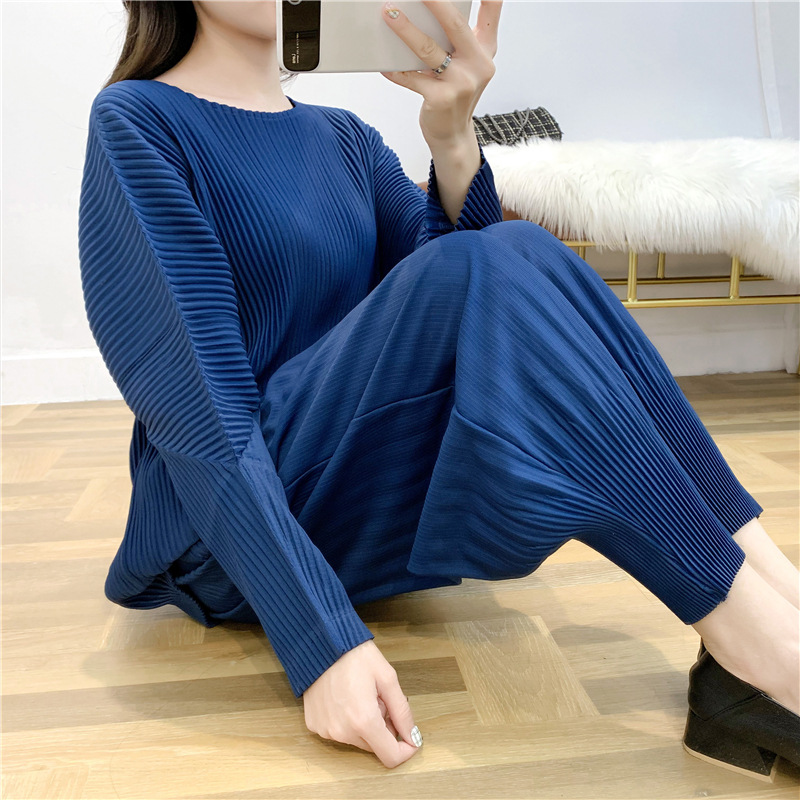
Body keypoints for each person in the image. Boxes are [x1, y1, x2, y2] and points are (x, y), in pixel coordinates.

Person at [77, 0, 799, 775]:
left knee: (523, 249)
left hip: (347, 490)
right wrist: (321, 644)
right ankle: (768, 658)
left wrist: (453, 137)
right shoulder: (139, 121)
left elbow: (478, 308)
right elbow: (200, 418)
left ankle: (778, 604)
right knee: (498, 259)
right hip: (227, 536)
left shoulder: (344, 137)